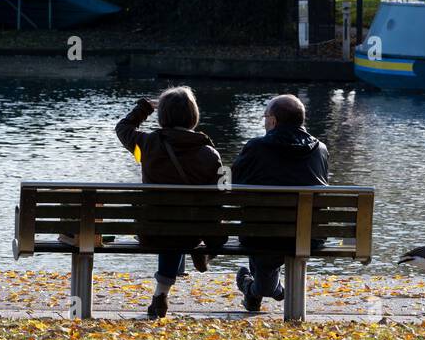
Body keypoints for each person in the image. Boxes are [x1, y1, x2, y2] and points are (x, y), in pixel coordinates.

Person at [115, 87, 222, 319]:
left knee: (170, 226)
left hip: (152, 231)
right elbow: (219, 197)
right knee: (183, 224)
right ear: (194, 116)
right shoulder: (209, 153)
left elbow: (123, 129)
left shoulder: (145, 147)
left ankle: (160, 295)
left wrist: (145, 107)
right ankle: (202, 252)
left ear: (163, 116)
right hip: (193, 233)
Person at [230, 93, 329, 312]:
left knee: (260, 222)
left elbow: (231, 185)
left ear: (273, 121)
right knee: (266, 224)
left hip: (262, 236)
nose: (264, 121)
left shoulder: (256, 148)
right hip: (308, 236)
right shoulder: (320, 150)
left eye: (265, 116)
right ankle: (262, 289)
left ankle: (256, 289)